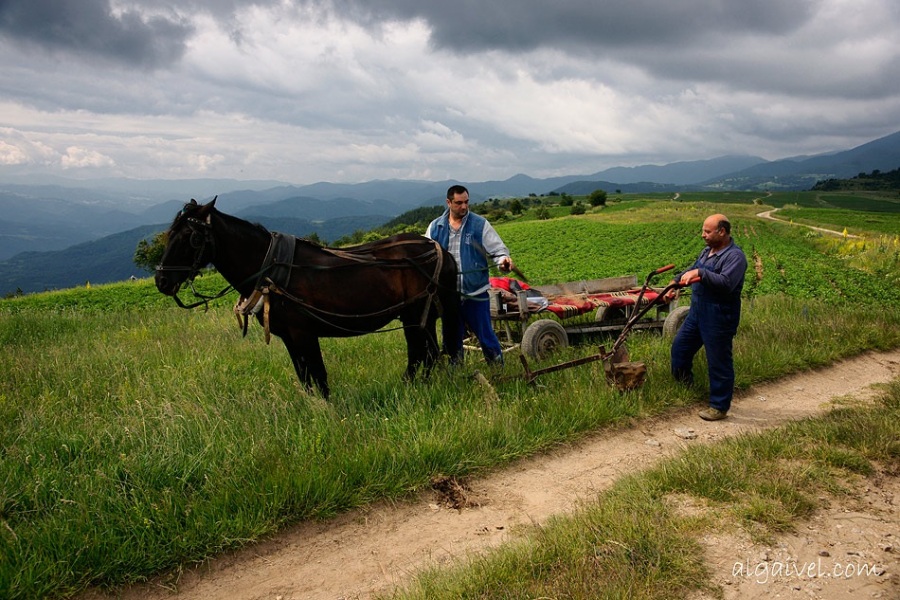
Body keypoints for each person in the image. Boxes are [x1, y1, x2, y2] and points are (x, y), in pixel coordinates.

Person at [670, 213, 748, 421]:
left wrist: (701, 274)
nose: (703, 235)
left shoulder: (735, 257)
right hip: (697, 313)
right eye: (703, 230)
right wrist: (676, 281)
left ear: (722, 232)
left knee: (718, 361)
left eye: (707, 231)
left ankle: (719, 406)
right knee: (680, 350)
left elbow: (725, 283)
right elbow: (692, 270)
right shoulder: (708, 251)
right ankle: (686, 387)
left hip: (719, 316)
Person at [425, 184, 513, 365]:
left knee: (486, 336)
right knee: (451, 339)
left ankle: (498, 368)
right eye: (458, 203)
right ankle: (455, 373)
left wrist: (504, 261)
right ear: (448, 202)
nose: (464, 207)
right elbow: (427, 259)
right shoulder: (435, 227)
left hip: (475, 293)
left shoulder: (479, 225)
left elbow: (498, 252)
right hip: (448, 296)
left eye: (466, 202)